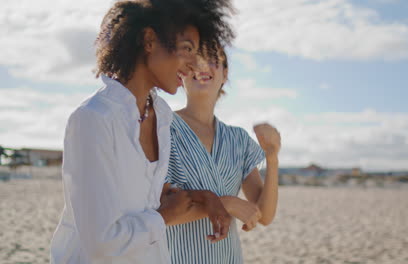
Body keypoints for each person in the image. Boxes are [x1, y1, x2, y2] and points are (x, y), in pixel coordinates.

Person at [50, 0, 234, 263]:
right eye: (187, 49)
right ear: (149, 40)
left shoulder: (161, 115)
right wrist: (164, 217)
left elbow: (141, 195)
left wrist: (206, 198)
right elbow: (101, 244)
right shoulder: (93, 119)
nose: (195, 65)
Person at [163, 46, 281, 263]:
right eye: (194, 61)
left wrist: (272, 158)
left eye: (212, 60)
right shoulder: (163, 129)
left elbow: (263, 215)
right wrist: (224, 203)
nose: (203, 66)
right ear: (181, 72)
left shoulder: (237, 139)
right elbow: (159, 213)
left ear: (225, 74)